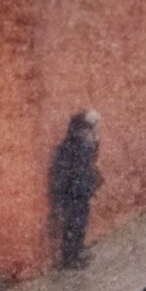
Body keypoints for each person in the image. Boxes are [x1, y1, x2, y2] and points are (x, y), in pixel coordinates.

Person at [48, 112, 103, 269]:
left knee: (79, 222)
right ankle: (71, 257)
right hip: (72, 192)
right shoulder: (72, 147)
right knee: (73, 223)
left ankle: (77, 252)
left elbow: (90, 160)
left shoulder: (82, 145)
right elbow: (71, 171)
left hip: (80, 191)